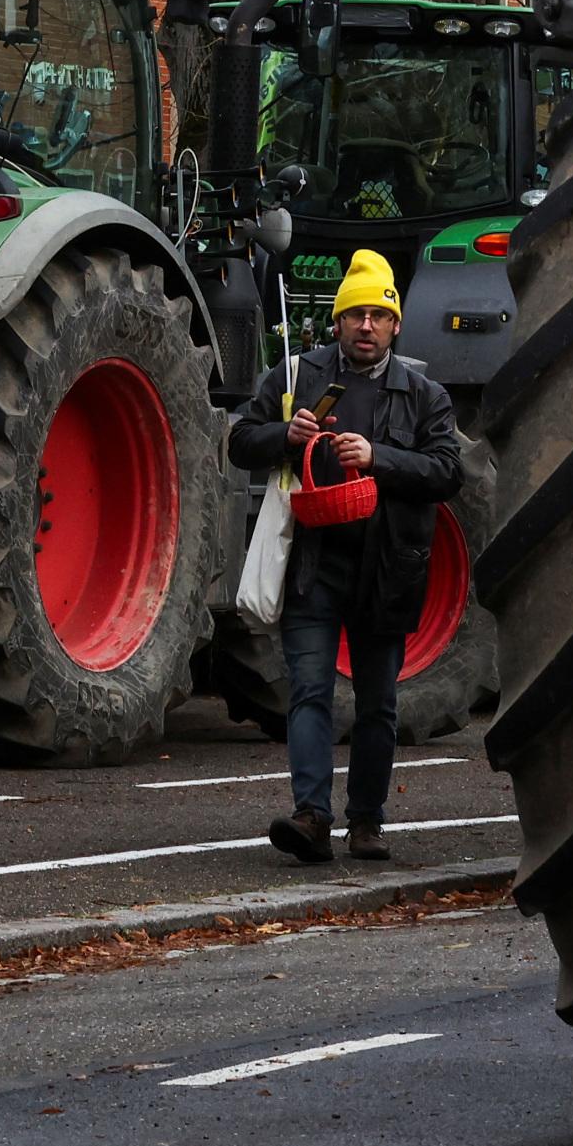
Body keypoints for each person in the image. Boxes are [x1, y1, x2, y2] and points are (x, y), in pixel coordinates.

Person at [227, 249, 463, 864]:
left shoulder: (424, 394)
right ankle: (311, 818)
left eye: (377, 316)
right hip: (315, 561)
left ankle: (366, 822)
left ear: (396, 325)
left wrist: (379, 457)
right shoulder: (295, 377)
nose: (365, 326)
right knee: (308, 691)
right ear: (336, 322)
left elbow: (447, 471)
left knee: (378, 703)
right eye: (354, 314)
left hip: (387, 570)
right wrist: (285, 435)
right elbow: (240, 442)